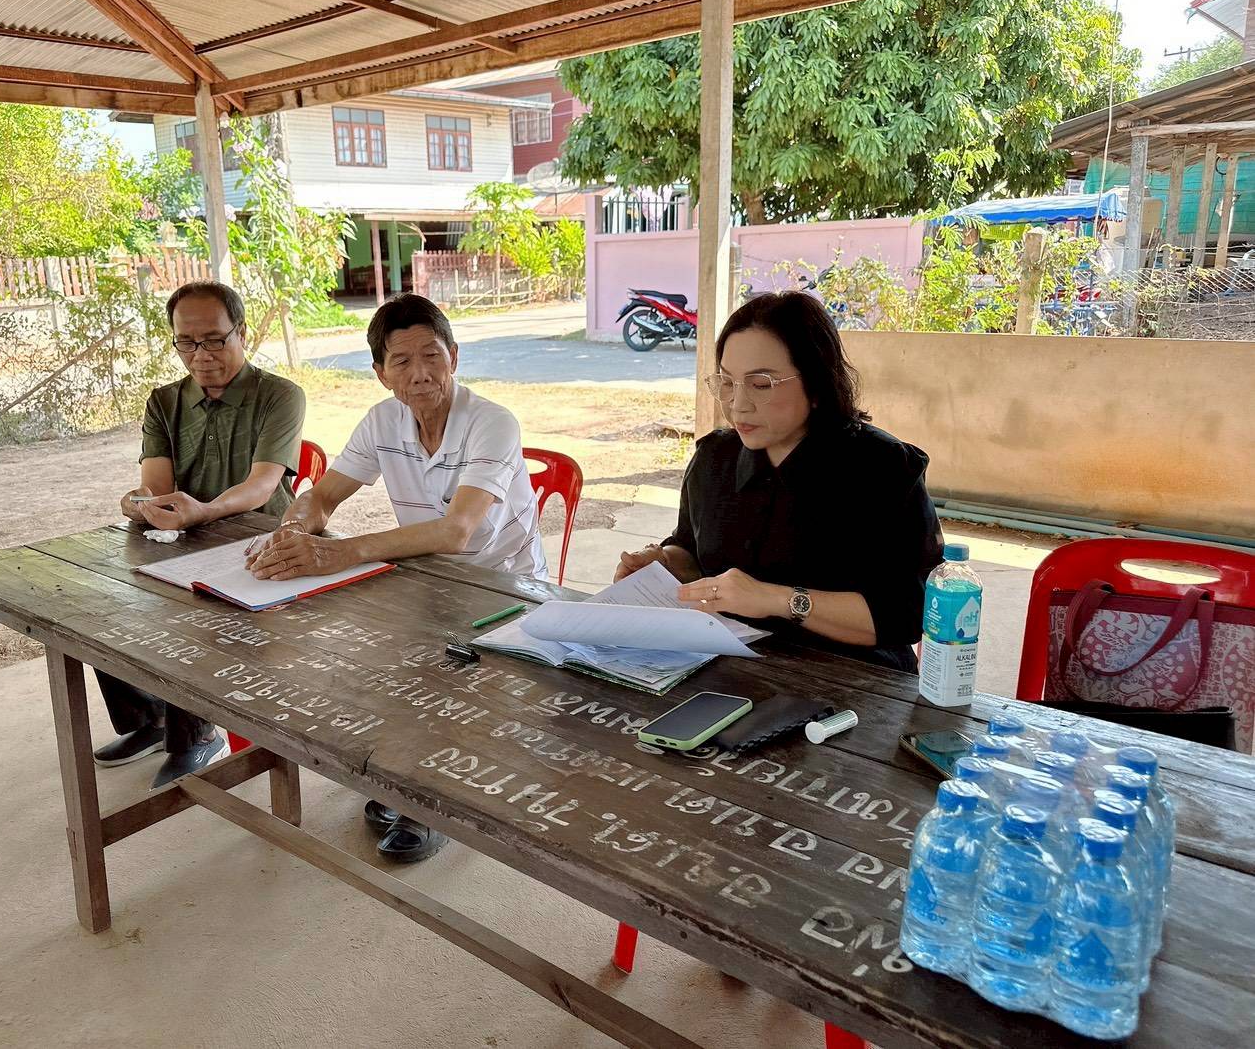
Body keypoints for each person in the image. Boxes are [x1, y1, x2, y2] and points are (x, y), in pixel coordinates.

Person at [246, 292, 546, 859]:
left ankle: (433, 800)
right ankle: (408, 777)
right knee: (364, 654)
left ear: (454, 357)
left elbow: (457, 532)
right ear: (381, 373)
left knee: (433, 672)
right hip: (427, 581)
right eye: (402, 361)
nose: (420, 373)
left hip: (506, 589)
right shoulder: (383, 421)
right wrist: (294, 527)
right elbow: (322, 498)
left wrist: (342, 552)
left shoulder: (492, 422)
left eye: (432, 355)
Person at [615, 291, 943, 673]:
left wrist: (775, 599)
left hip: (853, 682)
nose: (738, 404)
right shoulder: (714, 459)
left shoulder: (882, 468)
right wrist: (662, 563)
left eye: (761, 384)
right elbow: (693, 552)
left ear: (816, 384)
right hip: (731, 666)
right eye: (727, 382)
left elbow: (906, 613)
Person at [95, 281, 306, 788]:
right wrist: (139, 502)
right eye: (186, 342)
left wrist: (202, 512)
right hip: (185, 538)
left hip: (261, 542)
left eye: (214, 339)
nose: (201, 354)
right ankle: (151, 720)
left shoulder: (279, 395)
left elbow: (261, 487)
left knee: (189, 614)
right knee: (99, 603)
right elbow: (156, 485)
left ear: (242, 333)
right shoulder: (164, 401)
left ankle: (197, 735)